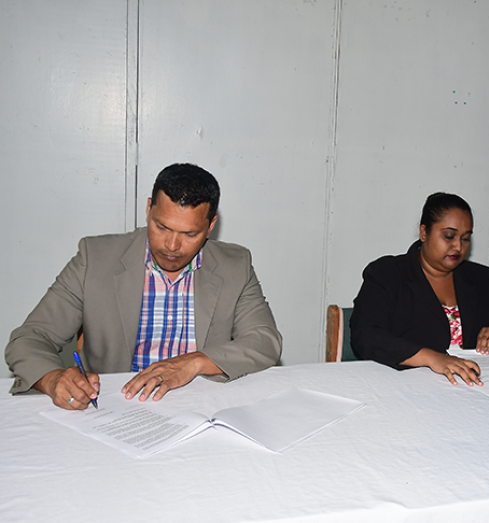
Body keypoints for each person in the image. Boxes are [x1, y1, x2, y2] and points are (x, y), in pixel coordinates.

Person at [5, 163, 282, 409]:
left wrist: (193, 362)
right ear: (148, 209)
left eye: (190, 234)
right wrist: (53, 379)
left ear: (210, 227)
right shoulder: (95, 259)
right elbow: (29, 339)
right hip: (117, 408)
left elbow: (265, 341)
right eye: (162, 227)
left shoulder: (235, 265)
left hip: (201, 408)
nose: (172, 246)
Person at [350, 192, 489, 385]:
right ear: (424, 233)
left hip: (471, 391)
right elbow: (366, 335)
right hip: (403, 389)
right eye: (449, 236)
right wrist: (432, 358)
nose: (458, 247)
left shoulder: (481, 278)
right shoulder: (388, 274)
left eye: (465, 239)